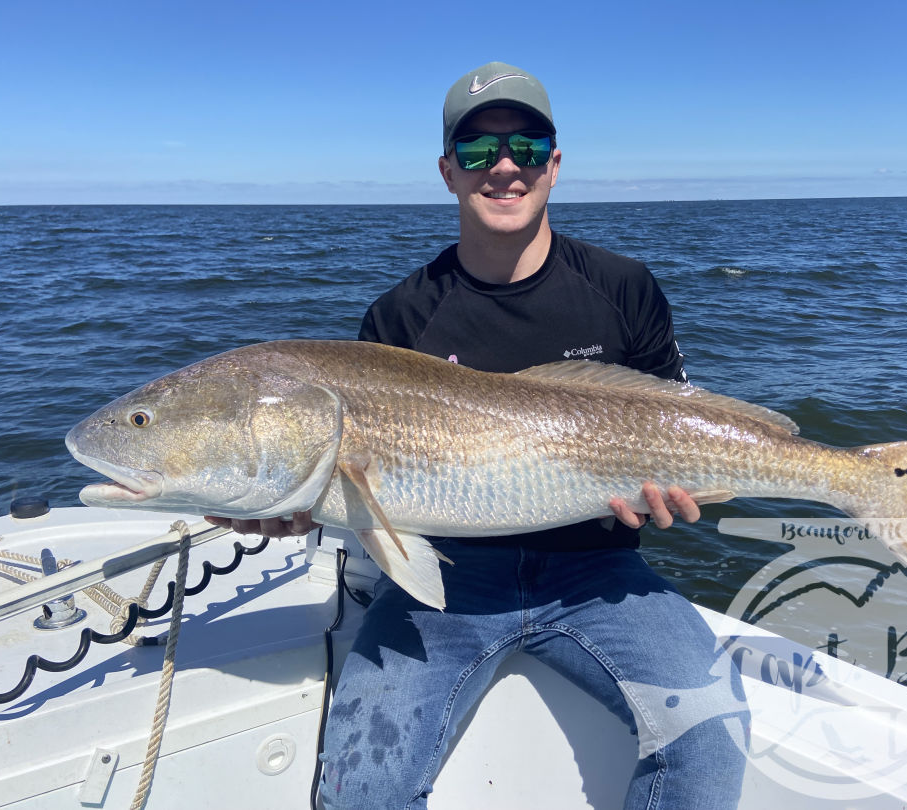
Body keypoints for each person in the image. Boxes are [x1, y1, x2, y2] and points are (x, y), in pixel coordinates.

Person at [213, 62, 749, 808]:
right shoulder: (399, 317)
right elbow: (364, 493)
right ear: (447, 172)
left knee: (713, 740)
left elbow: (677, 417)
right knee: (361, 789)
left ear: (554, 165)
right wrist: (295, 500)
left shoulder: (622, 287)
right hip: (448, 584)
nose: (503, 167)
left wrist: (673, 495)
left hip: (599, 573)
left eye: (526, 147)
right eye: (477, 151)